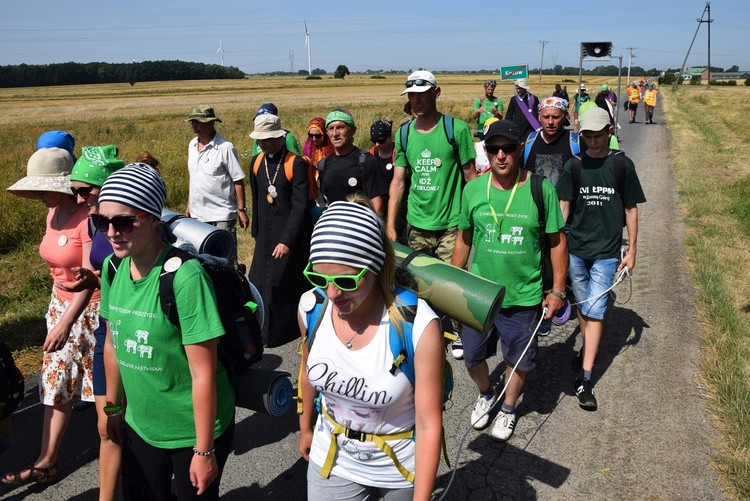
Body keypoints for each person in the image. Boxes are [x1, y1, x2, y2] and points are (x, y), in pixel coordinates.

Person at [99, 163, 235, 500]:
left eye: (124, 221)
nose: (112, 232)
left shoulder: (186, 278)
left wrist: (204, 452)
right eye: (102, 222)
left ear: (153, 218)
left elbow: (202, 374)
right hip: (140, 425)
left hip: (191, 430)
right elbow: (113, 345)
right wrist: (113, 409)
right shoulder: (112, 267)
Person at [297, 198, 444, 501]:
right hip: (332, 457)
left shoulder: (418, 326)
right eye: (320, 278)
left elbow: (429, 423)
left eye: (346, 281)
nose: (332, 293)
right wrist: (305, 426)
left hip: (398, 467)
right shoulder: (312, 308)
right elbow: (307, 367)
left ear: (375, 267)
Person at [451, 120, 567, 441]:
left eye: (508, 148)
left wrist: (557, 290)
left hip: (522, 296)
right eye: (493, 149)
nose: (501, 155)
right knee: (472, 356)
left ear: (520, 150)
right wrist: (450, 282)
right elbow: (463, 238)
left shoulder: (540, 189)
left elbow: (557, 242)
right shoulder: (474, 189)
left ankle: (508, 408)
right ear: (485, 153)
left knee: (517, 360)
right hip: (477, 295)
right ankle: (488, 393)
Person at [3, 148, 98, 485]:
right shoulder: (52, 213)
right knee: (56, 386)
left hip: (90, 313)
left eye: (43, 189)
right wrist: (56, 314)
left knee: (102, 391)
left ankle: (122, 464)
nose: (39, 196)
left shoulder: (88, 219)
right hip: (59, 308)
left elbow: (90, 276)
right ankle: (46, 462)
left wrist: (65, 322)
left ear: (62, 186)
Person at [556, 107, 646, 411]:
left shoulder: (622, 165)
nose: (593, 142)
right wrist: (554, 246)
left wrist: (632, 249)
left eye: (598, 135)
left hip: (607, 252)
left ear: (610, 132)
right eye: (588, 136)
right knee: (583, 306)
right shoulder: (575, 166)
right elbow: (564, 208)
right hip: (577, 250)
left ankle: (585, 377)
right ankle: (587, 350)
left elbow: (631, 208)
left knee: (595, 311)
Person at [386, 70, 476, 360]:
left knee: (452, 281)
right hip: (417, 224)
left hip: (451, 223)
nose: (416, 100)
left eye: (422, 93)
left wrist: (476, 219)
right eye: (411, 95)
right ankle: (424, 331)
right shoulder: (403, 133)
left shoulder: (456, 130)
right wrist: (390, 224)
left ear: (436, 93)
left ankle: (459, 332)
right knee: (417, 282)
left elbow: (470, 178)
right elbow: (398, 181)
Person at [58, 145, 125, 501]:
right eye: (77, 191)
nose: (81, 198)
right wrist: (91, 281)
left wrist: (97, 280)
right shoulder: (91, 220)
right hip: (106, 331)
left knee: (134, 426)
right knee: (106, 426)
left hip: (134, 331)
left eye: (87, 190)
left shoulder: (127, 221)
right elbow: (103, 273)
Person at [248, 114, 314, 347]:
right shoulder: (256, 161)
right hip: (265, 234)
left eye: (266, 139)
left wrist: (287, 240)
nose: (262, 144)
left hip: (288, 235)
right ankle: (261, 332)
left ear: (279, 136)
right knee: (257, 280)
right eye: (259, 140)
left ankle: (282, 333)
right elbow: (256, 198)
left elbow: (300, 206)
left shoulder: (295, 163)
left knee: (281, 284)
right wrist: (256, 232)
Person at [184, 105, 249, 269]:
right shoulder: (192, 145)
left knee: (225, 261)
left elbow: (238, 180)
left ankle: (234, 291)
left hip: (221, 214)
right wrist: (188, 206)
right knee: (201, 259)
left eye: (199, 122)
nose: (195, 126)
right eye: (193, 122)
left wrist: (241, 210)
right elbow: (194, 178)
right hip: (198, 214)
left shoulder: (225, 147)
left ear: (212, 123)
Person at [318, 108, 387, 215]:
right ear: (327, 133)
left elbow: (377, 204)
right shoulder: (324, 165)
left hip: (360, 227)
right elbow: (328, 200)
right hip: (334, 226)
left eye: (340, 127)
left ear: (352, 130)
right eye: (331, 129)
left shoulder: (366, 161)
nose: (335, 133)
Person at [524, 97, 578, 188]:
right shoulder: (528, 142)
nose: (550, 122)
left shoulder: (576, 143)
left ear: (564, 117)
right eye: (546, 117)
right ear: (539, 117)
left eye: (555, 117)